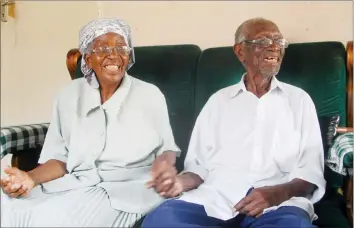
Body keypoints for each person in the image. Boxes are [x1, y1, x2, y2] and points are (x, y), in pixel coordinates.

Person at [142, 17, 326, 228]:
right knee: (161, 220)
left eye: (279, 42)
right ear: (240, 52)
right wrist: (177, 183)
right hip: (216, 197)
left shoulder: (299, 100)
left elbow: (310, 172)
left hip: (277, 204)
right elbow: (198, 168)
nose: (275, 47)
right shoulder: (219, 101)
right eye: (264, 41)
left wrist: (278, 193)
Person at [0, 18, 180, 227]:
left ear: (128, 56)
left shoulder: (150, 95)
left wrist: (164, 168)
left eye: (121, 47)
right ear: (88, 58)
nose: (114, 55)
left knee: (50, 218)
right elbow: (61, 159)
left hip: (125, 190)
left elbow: (167, 150)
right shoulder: (68, 95)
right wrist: (29, 178)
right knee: (8, 206)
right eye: (103, 48)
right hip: (74, 184)